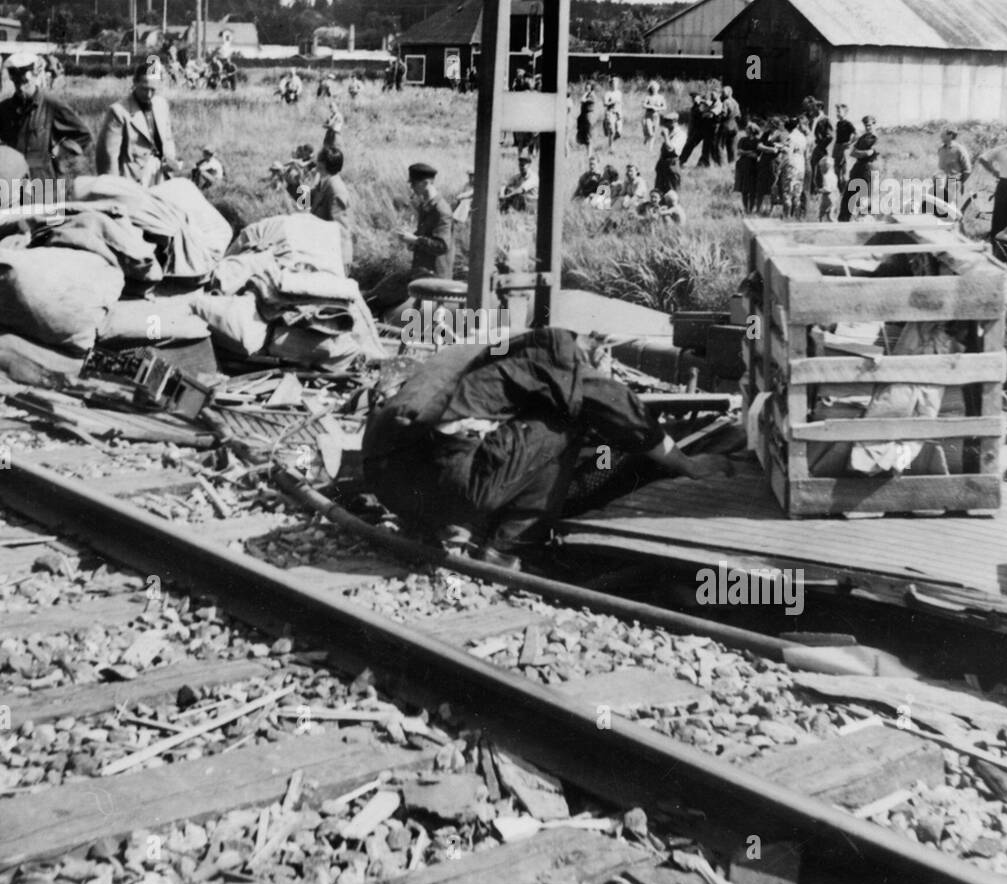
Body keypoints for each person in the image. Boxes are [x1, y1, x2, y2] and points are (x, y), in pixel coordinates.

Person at [362, 328, 735, 567]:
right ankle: (511, 547)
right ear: (591, 349)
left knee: (505, 435)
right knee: (569, 419)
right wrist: (689, 465)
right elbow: (621, 409)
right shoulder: (559, 354)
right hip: (447, 484)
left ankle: (444, 526)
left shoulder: (488, 351)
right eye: (603, 363)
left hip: (385, 478)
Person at [364, 161, 455, 314]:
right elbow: (427, 235)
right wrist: (413, 241)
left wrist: (415, 240)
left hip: (434, 276)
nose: (411, 187)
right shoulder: (426, 206)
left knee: (399, 298)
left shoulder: (441, 210)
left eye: (414, 183)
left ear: (426, 183)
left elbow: (442, 246)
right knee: (383, 291)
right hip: (421, 271)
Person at [0, 51, 92, 182]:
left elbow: (83, 135)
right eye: (16, 83)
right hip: (11, 182)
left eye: (25, 82)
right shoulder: (5, 108)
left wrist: (56, 156)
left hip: (43, 181)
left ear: (34, 76)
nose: (20, 88)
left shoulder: (51, 104)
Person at [95, 57, 178, 187]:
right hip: (133, 177)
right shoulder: (118, 111)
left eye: (153, 90)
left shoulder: (161, 104)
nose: (149, 94)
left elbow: (168, 138)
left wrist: (170, 159)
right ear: (135, 83)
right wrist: (113, 188)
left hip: (160, 173)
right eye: (145, 89)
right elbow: (108, 156)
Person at [309, 143, 353, 270]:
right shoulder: (324, 183)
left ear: (323, 164)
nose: (315, 163)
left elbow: (338, 228)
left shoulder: (336, 189)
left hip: (336, 257)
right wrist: (295, 184)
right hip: (326, 254)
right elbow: (305, 204)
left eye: (318, 161)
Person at [840, 116, 880, 221]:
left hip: (869, 168)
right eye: (866, 125)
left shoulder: (876, 138)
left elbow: (870, 153)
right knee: (848, 194)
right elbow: (853, 153)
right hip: (858, 167)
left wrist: (861, 153)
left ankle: (865, 220)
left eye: (870, 125)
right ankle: (843, 220)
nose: (867, 127)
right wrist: (863, 153)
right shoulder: (862, 138)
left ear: (874, 124)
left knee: (865, 196)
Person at [933, 128, 972, 218]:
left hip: (953, 182)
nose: (941, 136)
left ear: (950, 135)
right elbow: (940, 167)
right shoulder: (941, 149)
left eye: (943, 134)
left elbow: (967, 170)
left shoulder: (959, 150)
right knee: (939, 208)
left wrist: (961, 183)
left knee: (951, 209)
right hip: (940, 182)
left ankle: (952, 228)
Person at [734, 121, 760, 214]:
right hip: (743, 165)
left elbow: (756, 155)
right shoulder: (743, 140)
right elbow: (739, 152)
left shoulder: (758, 141)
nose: (746, 130)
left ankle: (751, 208)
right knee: (744, 189)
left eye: (748, 129)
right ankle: (745, 208)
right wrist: (749, 152)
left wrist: (746, 152)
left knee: (752, 190)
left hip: (753, 166)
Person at [831, 103, 856, 191]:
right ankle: (839, 187)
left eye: (839, 111)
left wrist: (849, 142)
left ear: (845, 113)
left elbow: (856, 134)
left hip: (844, 147)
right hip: (837, 146)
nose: (837, 113)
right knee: (835, 167)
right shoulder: (838, 123)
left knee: (844, 168)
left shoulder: (848, 123)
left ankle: (845, 189)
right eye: (836, 111)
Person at [717, 85, 741, 165]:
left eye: (723, 93)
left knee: (719, 146)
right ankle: (732, 164)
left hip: (725, 125)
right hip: (734, 126)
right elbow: (739, 115)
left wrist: (718, 118)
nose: (722, 94)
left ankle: (721, 164)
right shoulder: (735, 102)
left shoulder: (726, 102)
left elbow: (724, 114)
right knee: (732, 147)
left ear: (727, 93)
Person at [654, 133, 681, 199]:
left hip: (671, 165)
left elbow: (670, 148)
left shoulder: (680, 134)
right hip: (662, 165)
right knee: (658, 191)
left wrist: (666, 136)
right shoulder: (670, 133)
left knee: (671, 193)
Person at [641, 82, 666, 149]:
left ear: (658, 88)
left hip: (656, 116)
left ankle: (650, 148)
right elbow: (643, 105)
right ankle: (646, 140)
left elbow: (664, 107)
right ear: (650, 89)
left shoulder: (661, 97)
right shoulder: (648, 97)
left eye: (655, 88)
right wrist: (651, 107)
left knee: (654, 133)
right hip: (648, 116)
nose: (654, 89)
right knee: (650, 132)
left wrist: (658, 108)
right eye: (653, 88)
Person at [576, 82, 596, 155]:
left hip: (589, 116)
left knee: (588, 135)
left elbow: (582, 100)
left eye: (588, 88)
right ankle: (588, 152)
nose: (586, 89)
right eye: (586, 88)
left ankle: (589, 153)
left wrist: (586, 93)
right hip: (584, 116)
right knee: (584, 136)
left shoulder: (592, 95)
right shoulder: (588, 95)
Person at [602, 80, 623, 150]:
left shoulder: (619, 93)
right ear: (610, 85)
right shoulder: (608, 93)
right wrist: (612, 102)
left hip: (618, 113)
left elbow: (620, 103)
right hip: (610, 112)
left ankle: (611, 142)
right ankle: (611, 147)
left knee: (619, 133)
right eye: (613, 84)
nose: (615, 85)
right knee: (612, 130)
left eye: (616, 84)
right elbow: (605, 103)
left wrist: (620, 112)